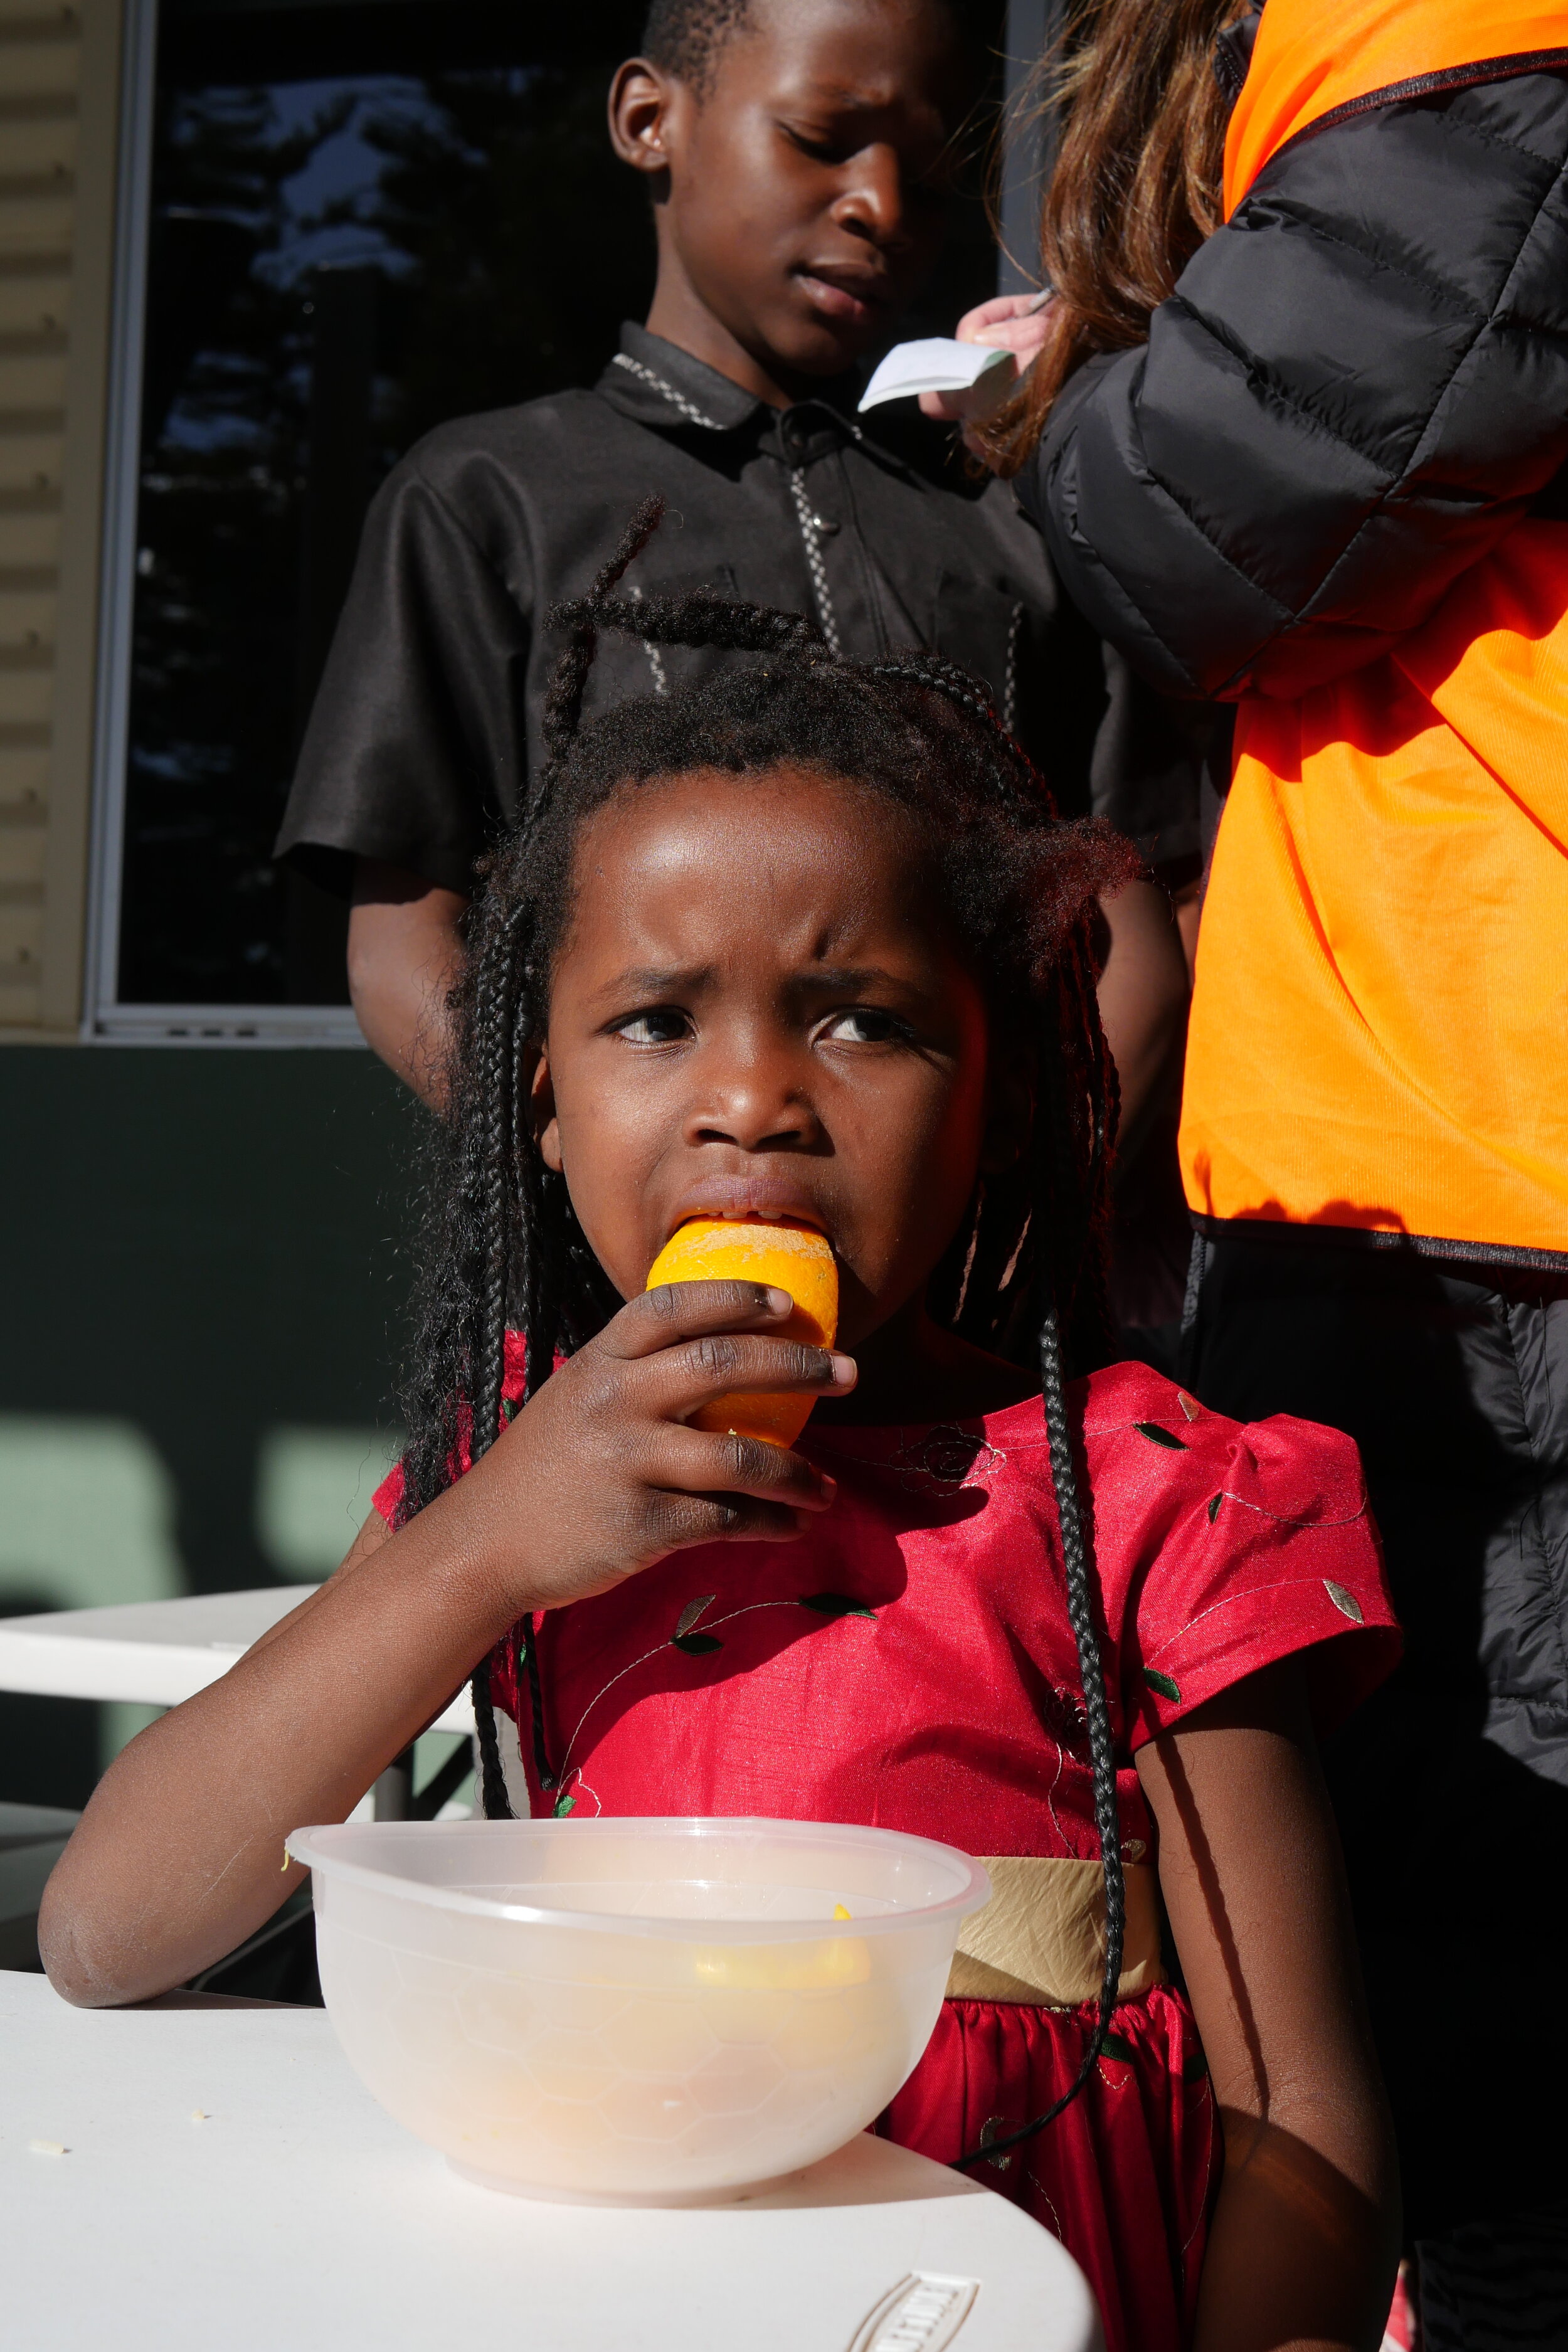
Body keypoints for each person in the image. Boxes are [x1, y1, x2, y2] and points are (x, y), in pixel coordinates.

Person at [44, 520, 1401, 2352]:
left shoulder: (1141, 1502)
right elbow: (109, 1930)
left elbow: (1301, 2111)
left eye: (863, 1019)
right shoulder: (500, 1486)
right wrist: (481, 1542)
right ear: (538, 1105)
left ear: (997, 1101)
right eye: (656, 1020)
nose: (754, 1094)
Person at [928, 0, 1568, 2307]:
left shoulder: (1464, 34)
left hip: (1487, 1217)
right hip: (1435, 1173)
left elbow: (1223, 507)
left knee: (1470, 2052)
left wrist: (1065, 403)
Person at [274, 0, 1191, 1143]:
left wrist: (1039, 1217)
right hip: (633, 1289)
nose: (884, 207)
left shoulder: (1004, 519)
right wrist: (571, 1162)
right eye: (821, 138)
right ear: (650, 118)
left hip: (976, 1286)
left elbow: (1140, 921)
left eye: (932, 172)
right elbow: (406, 936)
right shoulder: (489, 497)